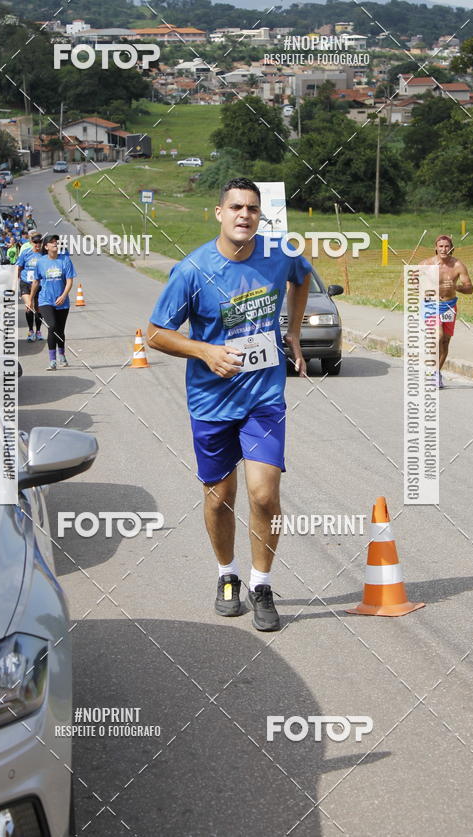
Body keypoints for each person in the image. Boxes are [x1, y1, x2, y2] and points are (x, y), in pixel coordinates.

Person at [146, 177, 312, 632]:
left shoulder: (280, 254)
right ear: (219, 213)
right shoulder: (192, 270)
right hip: (211, 401)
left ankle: (262, 584)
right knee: (220, 500)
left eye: (252, 209)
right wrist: (206, 351)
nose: (244, 215)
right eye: (236, 207)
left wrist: (292, 331)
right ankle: (227, 575)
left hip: (263, 398)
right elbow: (155, 334)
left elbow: (302, 280)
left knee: (264, 494)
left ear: (261, 216)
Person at [420, 235, 473, 388]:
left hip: (449, 306)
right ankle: (431, 370)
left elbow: (470, 289)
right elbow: (413, 282)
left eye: (446, 246)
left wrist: (456, 287)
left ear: (451, 248)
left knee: (445, 342)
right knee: (438, 337)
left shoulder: (458, 265)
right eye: (440, 246)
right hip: (431, 305)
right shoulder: (426, 264)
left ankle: (435, 373)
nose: (443, 249)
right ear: (435, 247)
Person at [29, 234, 76, 370]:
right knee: (52, 326)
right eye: (52, 242)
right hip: (45, 300)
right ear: (46, 246)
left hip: (62, 301)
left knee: (60, 330)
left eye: (56, 242)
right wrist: (31, 299)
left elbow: (69, 280)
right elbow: (36, 281)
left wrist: (64, 295)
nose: (55, 243)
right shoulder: (41, 262)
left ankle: (62, 355)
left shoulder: (65, 260)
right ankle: (52, 360)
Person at [16, 234, 45, 342]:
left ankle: (38, 331)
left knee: (38, 308)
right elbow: (18, 267)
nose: (38, 244)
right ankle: (30, 331)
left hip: (39, 284)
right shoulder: (26, 252)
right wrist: (15, 282)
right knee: (29, 306)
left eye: (39, 242)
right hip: (26, 282)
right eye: (35, 242)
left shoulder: (43, 254)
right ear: (31, 242)